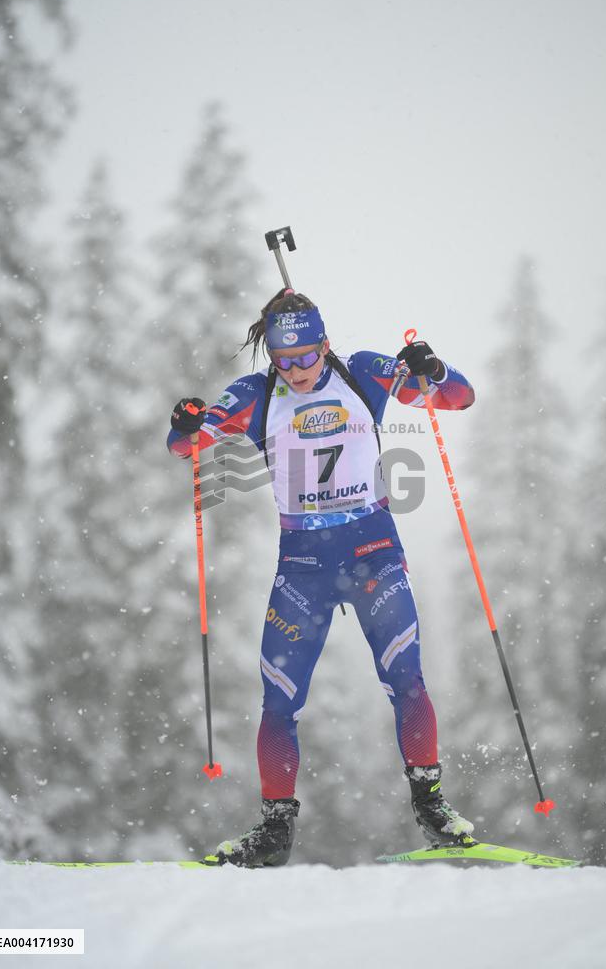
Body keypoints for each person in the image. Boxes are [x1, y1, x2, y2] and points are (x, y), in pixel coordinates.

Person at [167, 289, 476, 867]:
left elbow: (458, 397)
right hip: (302, 565)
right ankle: (274, 832)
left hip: (373, 550)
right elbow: (187, 444)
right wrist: (187, 421)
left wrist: (430, 369)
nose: (298, 372)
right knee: (278, 703)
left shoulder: (361, 373)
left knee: (406, 680)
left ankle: (432, 806)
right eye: (285, 362)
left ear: (324, 344)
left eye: (307, 357)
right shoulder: (258, 393)